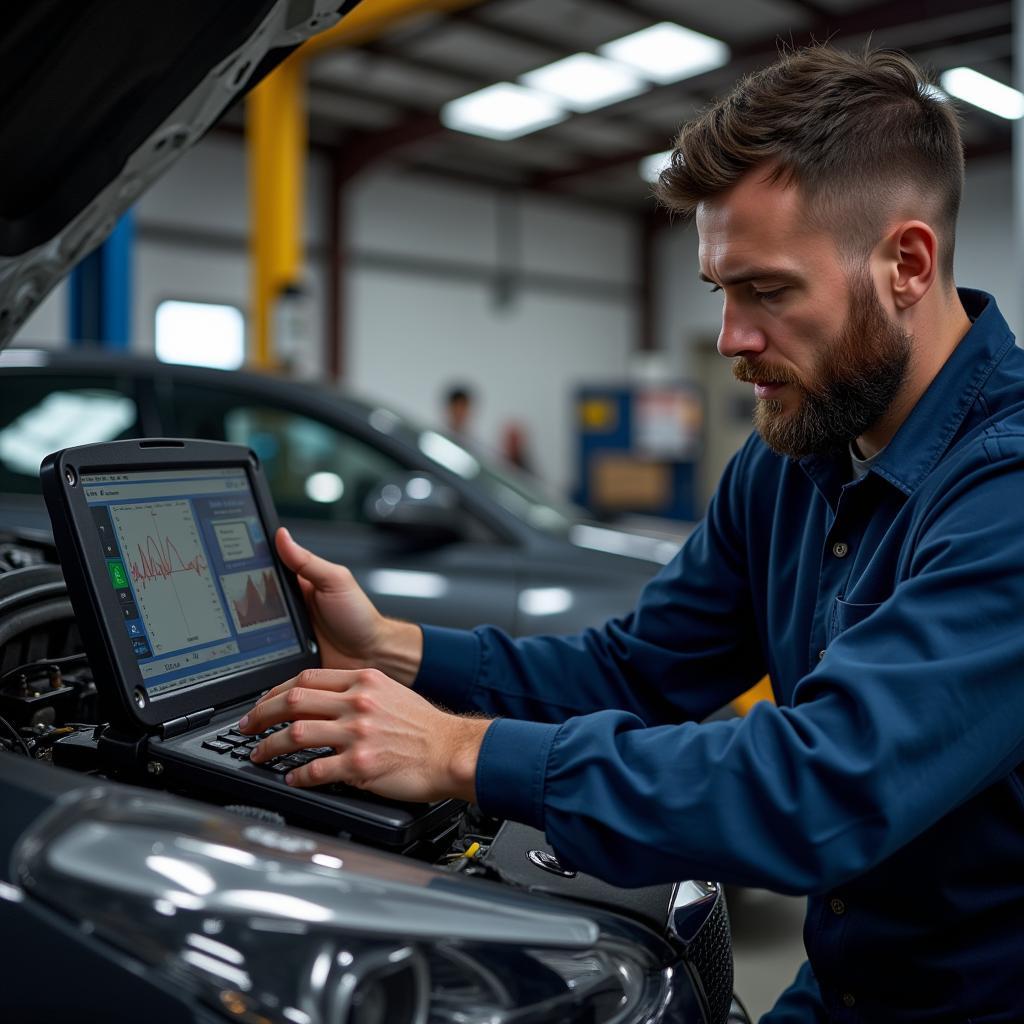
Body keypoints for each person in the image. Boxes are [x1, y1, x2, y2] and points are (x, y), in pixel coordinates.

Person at [238, 46, 1024, 1021]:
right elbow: (638, 671)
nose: (732, 338)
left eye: (768, 291)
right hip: (845, 988)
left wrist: (458, 753)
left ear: (906, 263)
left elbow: (824, 783)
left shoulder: (1006, 489)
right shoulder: (790, 462)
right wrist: (397, 650)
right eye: (719, 292)